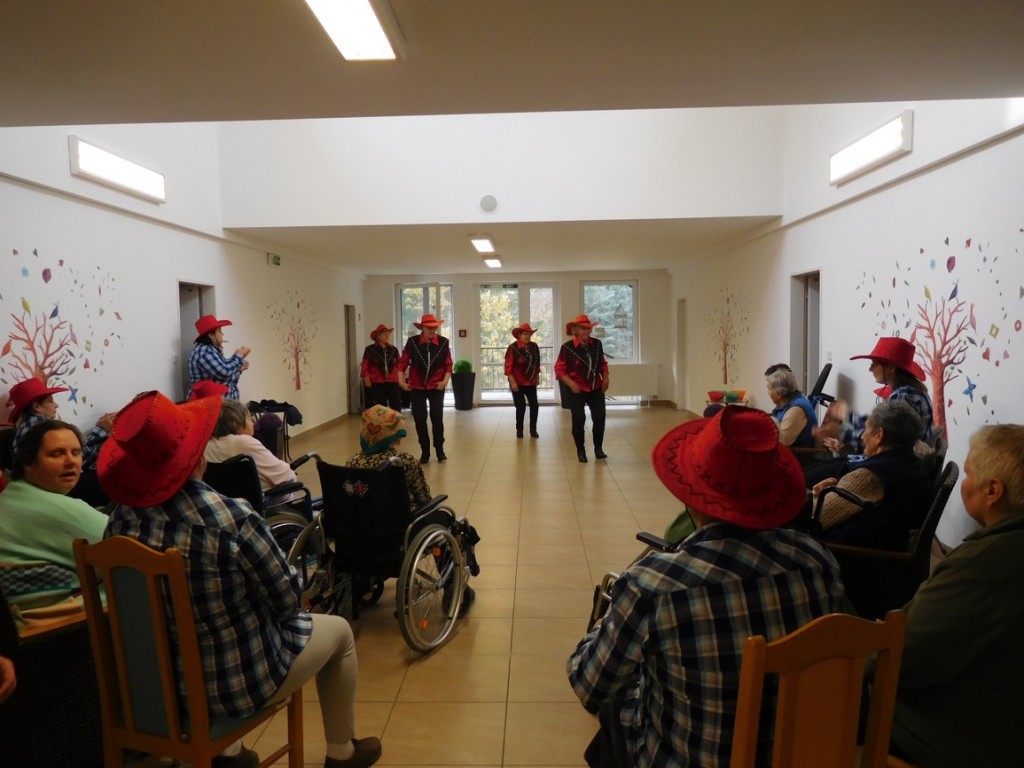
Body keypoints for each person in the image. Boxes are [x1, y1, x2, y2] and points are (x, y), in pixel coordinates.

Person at [98, 391, 381, 768]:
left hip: (153, 690)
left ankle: (229, 752)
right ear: (197, 457)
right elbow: (288, 600)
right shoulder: (232, 519)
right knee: (339, 633)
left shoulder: (119, 523)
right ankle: (342, 752)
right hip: (234, 688)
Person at [567, 406, 844, 768]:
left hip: (688, 758)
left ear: (689, 495)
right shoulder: (816, 561)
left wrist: (603, 624)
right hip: (795, 756)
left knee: (616, 707)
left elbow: (589, 684)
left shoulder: (653, 586)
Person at [888, 424, 1024, 768]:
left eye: (968, 474)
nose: (964, 484)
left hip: (963, 738)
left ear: (992, 490)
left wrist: (860, 657)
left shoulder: (983, 566)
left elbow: (904, 660)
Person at [0, 420, 109, 629]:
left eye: (76, 452)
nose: (71, 462)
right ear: (28, 463)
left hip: (23, 629)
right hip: (59, 633)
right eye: (57, 454)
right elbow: (128, 549)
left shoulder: (10, 498)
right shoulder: (49, 508)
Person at [811, 400, 931, 550]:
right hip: (887, 548)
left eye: (866, 428)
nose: (862, 437)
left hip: (849, 555)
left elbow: (816, 519)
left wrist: (817, 495)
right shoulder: (913, 464)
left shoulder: (870, 476)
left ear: (879, 435)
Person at [814, 336, 935, 453]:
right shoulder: (908, 392)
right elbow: (879, 428)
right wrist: (848, 416)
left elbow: (881, 441)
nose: (870, 369)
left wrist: (840, 431)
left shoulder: (903, 397)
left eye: (874, 364)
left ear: (891, 368)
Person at [203, 398, 303, 509]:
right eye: (248, 418)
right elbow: (284, 476)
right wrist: (293, 474)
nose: (252, 422)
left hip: (227, 506)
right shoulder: (244, 443)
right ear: (235, 423)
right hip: (264, 504)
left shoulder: (206, 446)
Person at [345, 405, 431, 511]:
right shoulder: (403, 461)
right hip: (400, 517)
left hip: (362, 517)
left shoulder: (352, 462)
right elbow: (424, 499)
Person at [397, 314, 452, 464]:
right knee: (420, 419)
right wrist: (401, 382)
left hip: (436, 386)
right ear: (422, 328)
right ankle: (425, 451)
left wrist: (444, 382)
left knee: (437, 418)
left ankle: (439, 450)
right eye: (429, 328)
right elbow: (402, 363)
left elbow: (448, 365)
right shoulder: (413, 342)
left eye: (434, 328)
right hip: (417, 386)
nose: (432, 331)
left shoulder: (443, 342)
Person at [555, 314, 610, 463]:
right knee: (579, 419)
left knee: (599, 417)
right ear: (576, 330)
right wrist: (571, 384)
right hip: (576, 388)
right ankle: (581, 450)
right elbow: (559, 369)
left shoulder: (597, 344)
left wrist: (605, 378)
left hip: (595, 386)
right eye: (582, 329)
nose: (586, 331)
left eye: (588, 328)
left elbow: (603, 364)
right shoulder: (567, 347)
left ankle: (598, 449)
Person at [187, 314, 251, 401]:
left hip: (222, 404)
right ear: (211, 335)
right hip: (212, 405)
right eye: (220, 331)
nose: (222, 334)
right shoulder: (205, 352)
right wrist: (238, 356)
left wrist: (239, 368)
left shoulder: (212, 350)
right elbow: (224, 372)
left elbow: (225, 379)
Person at [764, 364, 818, 448]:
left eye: (769, 389)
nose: (768, 393)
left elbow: (782, 442)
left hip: (798, 455)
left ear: (779, 394)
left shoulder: (796, 410)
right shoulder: (788, 403)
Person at [505, 322, 541, 439]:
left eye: (529, 334)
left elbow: (537, 363)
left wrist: (537, 376)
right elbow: (508, 367)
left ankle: (533, 430)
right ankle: (519, 429)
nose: (527, 336)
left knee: (534, 406)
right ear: (519, 335)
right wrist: (513, 382)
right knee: (520, 407)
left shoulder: (534, 346)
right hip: (517, 382)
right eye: (525, 334)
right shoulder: (513, 348)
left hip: (531, 382)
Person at [360, 324, 402, 412]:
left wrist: (401, 379)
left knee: (396, 404)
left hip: (393, 381)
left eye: (388, 333)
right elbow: (365, 365)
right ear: (378, 336)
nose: (387, 336)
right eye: (384, 334)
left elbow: (399, 365)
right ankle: (383, 421)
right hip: (377, 382)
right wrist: (366, 378)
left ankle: (396, 421)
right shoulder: (370, 349)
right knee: (381, 407)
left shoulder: (394, 349)